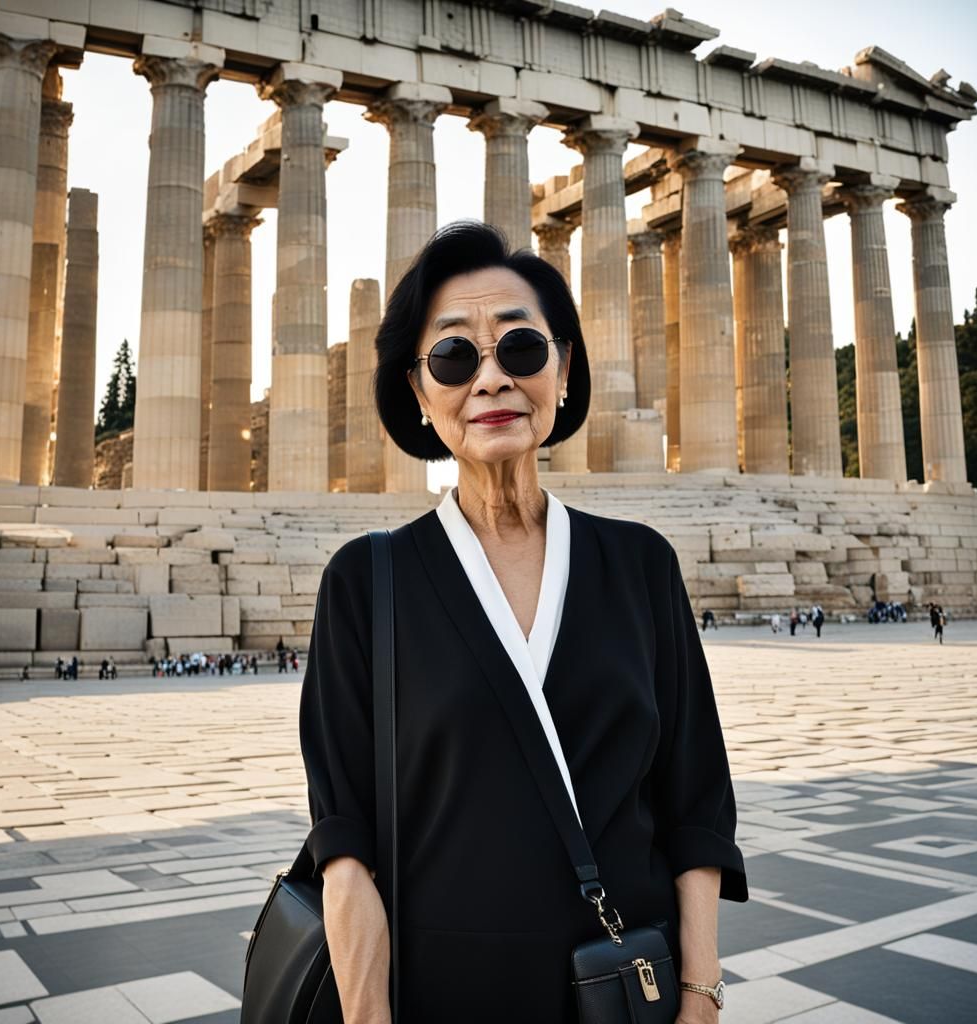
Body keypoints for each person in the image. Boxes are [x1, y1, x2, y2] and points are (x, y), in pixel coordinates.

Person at [300, 223, 747, 1023]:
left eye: (522, 349)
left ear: (565, 369)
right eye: (453, 358)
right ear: (418, 392)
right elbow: (344, 852)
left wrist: (700, 997)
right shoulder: (366, 584)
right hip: (444, 998)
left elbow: (696, 809)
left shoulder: (640, 565)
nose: (491, 379)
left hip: (624, 993)